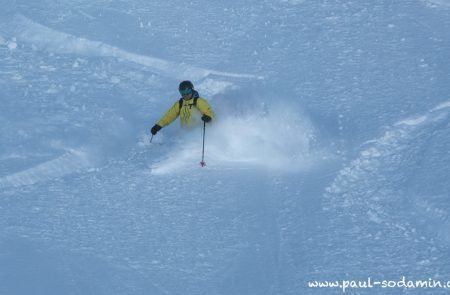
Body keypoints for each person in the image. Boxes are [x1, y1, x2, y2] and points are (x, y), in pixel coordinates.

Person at [150, 81, 215, 135]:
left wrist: (209, 118)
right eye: (183, 93)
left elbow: (209, 112)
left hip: (198, 134)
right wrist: (158, 125)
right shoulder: (180, 103)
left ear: (192, 90)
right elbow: (170, 115)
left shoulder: (199, 101)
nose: (186, 95)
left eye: (188, 92)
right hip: (185, 134)